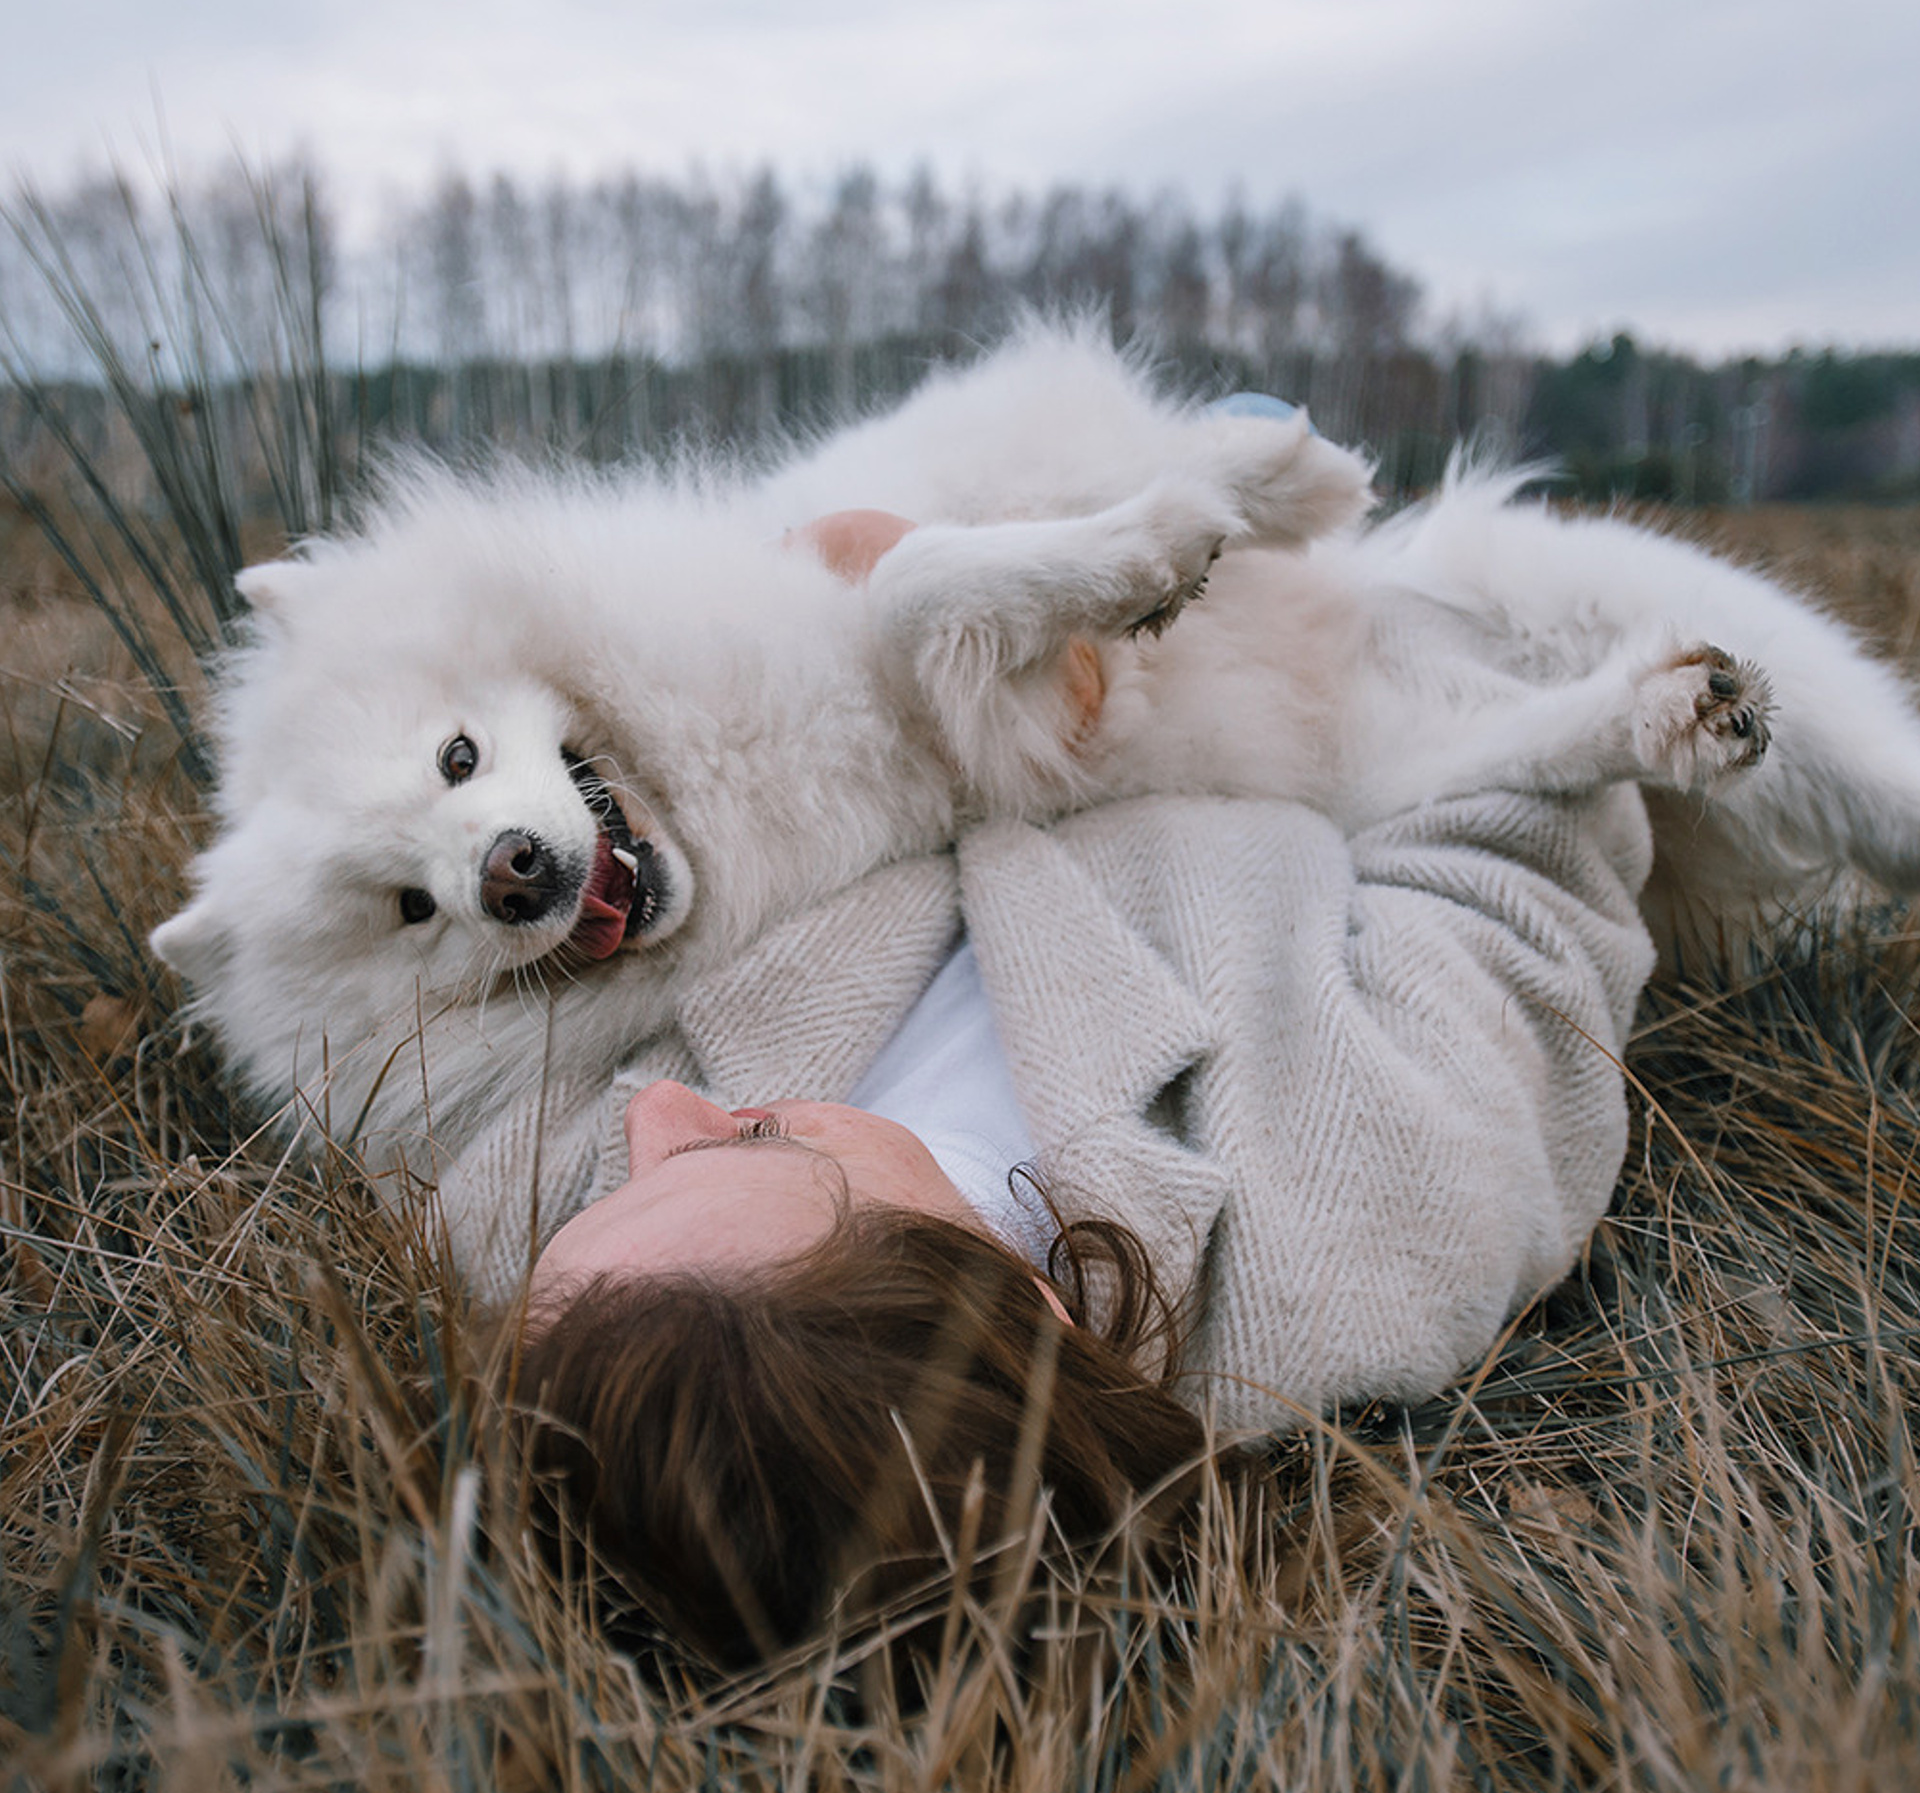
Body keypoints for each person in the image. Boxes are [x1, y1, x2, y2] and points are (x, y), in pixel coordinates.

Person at [441, 493, 1659, 1669]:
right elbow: (1526, 875)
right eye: (752, 1135)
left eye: (619, 1190)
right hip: (1300, 686)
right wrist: (1305, 661)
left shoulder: (553, 1238)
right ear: (1030, 1307)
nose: (654, 1111)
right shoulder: (1377, 1224)